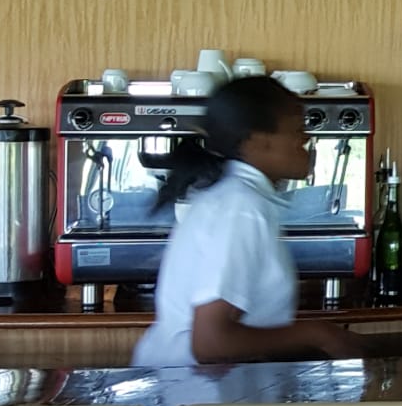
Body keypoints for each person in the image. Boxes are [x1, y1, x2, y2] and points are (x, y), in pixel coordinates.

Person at [131, 76, 364, 368]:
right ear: (256, 140)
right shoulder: (241, 207)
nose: (306, 138)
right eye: (297, 129)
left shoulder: (241, 198)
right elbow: (210, 343)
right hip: (190, 390)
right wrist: (319, 334)